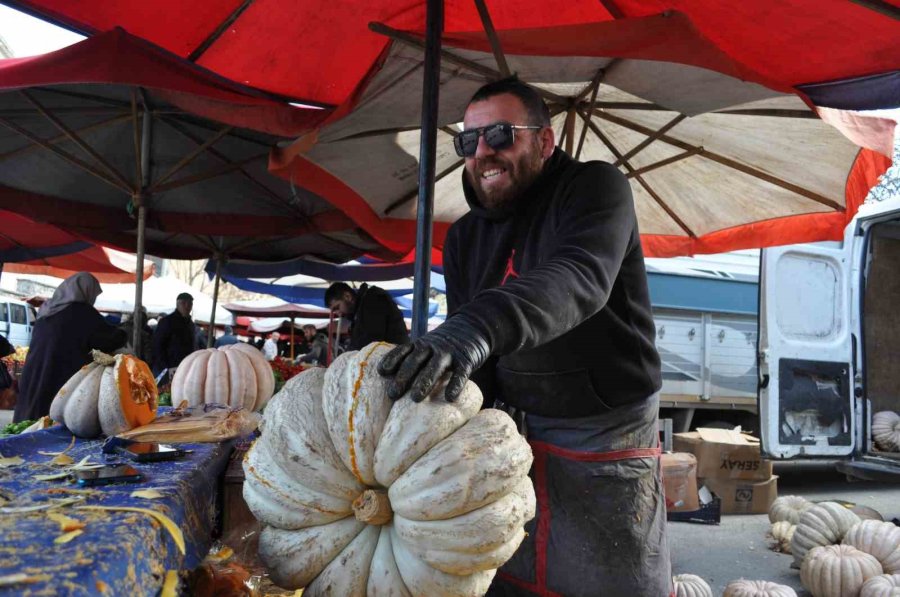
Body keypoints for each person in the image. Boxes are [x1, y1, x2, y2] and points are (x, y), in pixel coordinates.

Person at [377, 77, 670, 596]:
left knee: (611, 579)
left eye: (500, 135)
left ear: (544, 140)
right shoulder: (464, 237)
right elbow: (478, 368)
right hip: (517, 431)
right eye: (469, 140)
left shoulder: (596, 188)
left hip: (605, 428)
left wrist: (473, 328)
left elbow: (580, 276)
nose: (483, 152)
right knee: (510, 571)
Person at [14, 272, 126, 422]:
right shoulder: (81, 312)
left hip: (34, 370)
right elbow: (109, 339)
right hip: (60, 373)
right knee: (51, 420)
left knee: (31, 414)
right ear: (86, 291)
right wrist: (125, 331)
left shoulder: (47, 309)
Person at [324, 282, 410, 351]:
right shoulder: (358, 313)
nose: (338, 313)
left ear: (347, 296)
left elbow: (372, 339)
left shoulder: (373, 298)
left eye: (337, 307)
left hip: (395, 359)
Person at [152, 292, 198, 378]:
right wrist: (165, 368)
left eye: (190, 304)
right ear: (177, 304)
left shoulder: (191, 324)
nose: (187, 306)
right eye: (184, 303)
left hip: (185, 368)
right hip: (168, 368)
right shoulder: (167, 322)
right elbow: (157, 345)